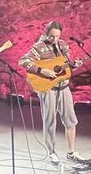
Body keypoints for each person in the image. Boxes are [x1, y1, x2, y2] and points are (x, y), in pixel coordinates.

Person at [20, 21, 85, 164]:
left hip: (64, 87)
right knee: (50, 121)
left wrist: (75, 65)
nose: (54, 39)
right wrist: (41, 70)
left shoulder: (63, 45)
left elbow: (66, 67)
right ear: (45, 33)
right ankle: (51, 152)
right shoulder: (39, 47)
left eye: (57, 36)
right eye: (51, 36)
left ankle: (72, 152)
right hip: (48, 89)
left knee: (71, 120)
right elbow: (23, 61)